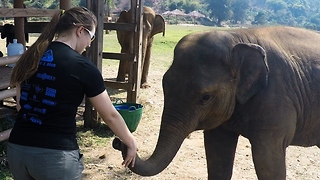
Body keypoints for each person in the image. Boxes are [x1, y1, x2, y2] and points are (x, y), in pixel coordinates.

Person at [8, 6, 138, 180]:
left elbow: (19, 104)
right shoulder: (83, 67)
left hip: (17, 150)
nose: (90, 43)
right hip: (54, 157)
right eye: (91, 36)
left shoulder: (30, 56)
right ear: (80, 31)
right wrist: (130, 141)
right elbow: (110, 116)